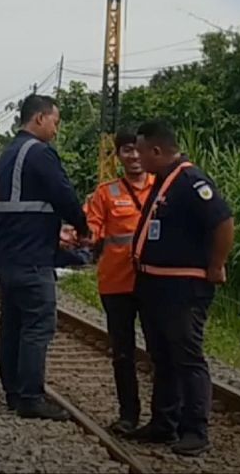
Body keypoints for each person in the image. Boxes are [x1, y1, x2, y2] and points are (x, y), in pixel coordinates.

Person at [126, 120, 235, 457]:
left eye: (141, 151)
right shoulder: (162, 182)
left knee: (187, 357)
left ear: (157, 151)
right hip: (155, 284)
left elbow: (223, 221)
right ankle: (164, 422)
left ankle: (195, 430)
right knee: (162, 356)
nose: (137, 157)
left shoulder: (190, 181)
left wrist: (216, 265)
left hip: (183, 286)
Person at [0, 94, 91, 421]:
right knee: (37, 323)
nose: (56, 130)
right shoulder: (40, 153)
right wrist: (81, 226)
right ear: (39, 119)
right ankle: (31, 398)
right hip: (30, 255)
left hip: (7, 253)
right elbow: (63, 194)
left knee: (13, 323)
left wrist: (52, 231)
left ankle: (14, 392)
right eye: (55, 122)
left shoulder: (7, 154)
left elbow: (26, 205)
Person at [83, 129, 156, 435]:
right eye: (127, 150)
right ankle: (129, 415)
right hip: (116, 285)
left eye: (138, 149)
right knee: (123, 353)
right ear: (120, 155)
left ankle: (164, 417)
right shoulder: (106, 193)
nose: (134, 156)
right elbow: (91, 229)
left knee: (159, 352)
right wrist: (78, 236)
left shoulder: (162, 186)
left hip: (155, 284)